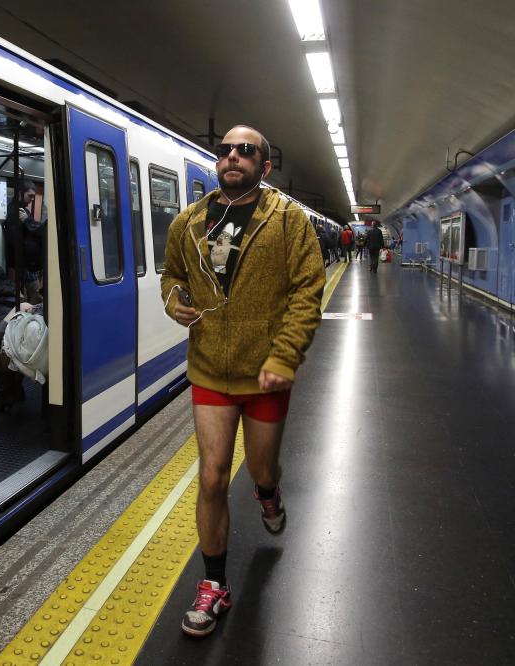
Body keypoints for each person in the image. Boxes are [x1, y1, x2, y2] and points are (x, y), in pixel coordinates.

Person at [160, 125, 325, 638]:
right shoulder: (189, 222)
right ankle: (213, 586)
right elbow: (171, 274)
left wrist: (284, 355)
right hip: (209, 365)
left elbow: (307, 289)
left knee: (259, 466)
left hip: (264, 371)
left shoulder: (287, 220)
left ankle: (269, 492)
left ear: (265, 165)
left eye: (245, 151)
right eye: (225, 150)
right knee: (212, 476)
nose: (232, 157)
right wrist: (172, 300)